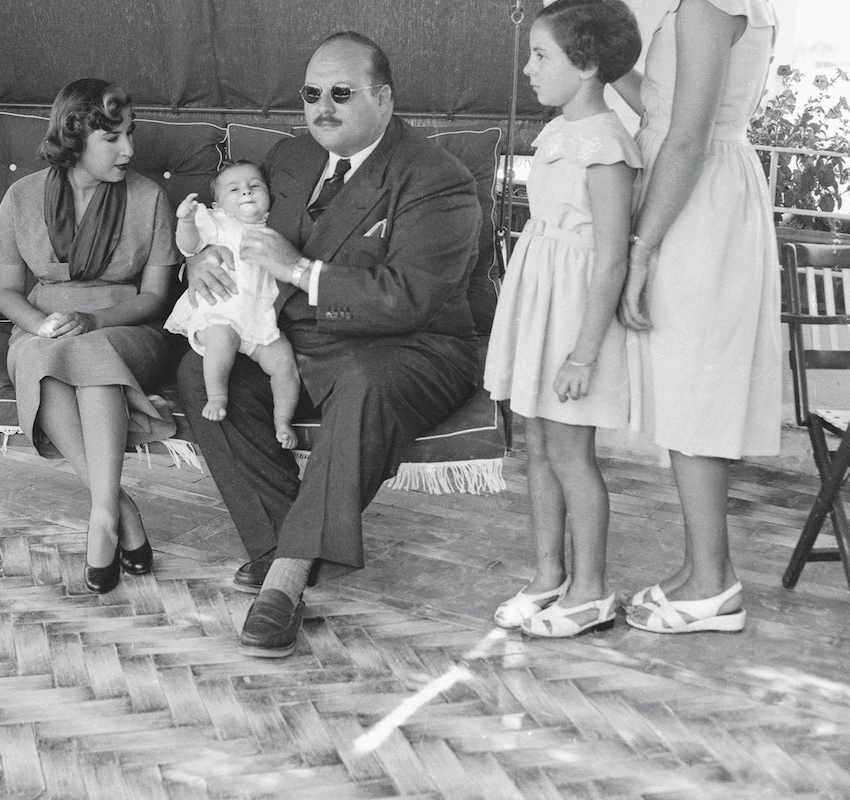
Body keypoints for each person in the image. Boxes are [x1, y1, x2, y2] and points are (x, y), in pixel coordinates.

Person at [179, 31, 482, 657]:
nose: (323, 106)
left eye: (341, 93)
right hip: (294, 334)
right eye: (311, 93)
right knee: (202, 372)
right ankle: (279, 545)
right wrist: (201, 257)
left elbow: (410, 297)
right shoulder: (292, 157)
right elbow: (239, 228)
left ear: (384, 97)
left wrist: (300, 272)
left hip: (409, 345)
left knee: (366, 386)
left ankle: (284, 581)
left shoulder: (436, 177)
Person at [615, 0, 780, 633]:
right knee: (688, 389)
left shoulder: (710, 4)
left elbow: (687, 137)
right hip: (699, 186)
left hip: (696, 195)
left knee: (697, 390)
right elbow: (662, 104)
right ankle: (702, 569)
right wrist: (597, 63)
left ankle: (715, 584)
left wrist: (640, 249)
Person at [484, 0, 642, 638]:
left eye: (541, 56)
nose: (528, 69)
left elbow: (609, 258)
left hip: (574, 313)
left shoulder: (606, 143)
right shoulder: (557, 131)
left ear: (587, 67)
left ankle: (592, 589)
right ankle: (549, 574)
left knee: (573, 453)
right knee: (539, 446)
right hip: (539, 299)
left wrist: (583, 352)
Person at [0, 78, 178, 594]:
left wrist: (94, 322)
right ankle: (114, 509)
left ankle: (101, 516)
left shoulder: (148, 196)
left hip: (126, 327)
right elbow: (6, 292)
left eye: (130, 134)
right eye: (112, 139)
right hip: (44, 326)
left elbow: (155, 296)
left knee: (90, 353)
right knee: (39, 358)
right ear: (75, 137)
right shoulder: (22, 197)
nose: (129, 149)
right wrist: (39, 325)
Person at [165, 161, 300, 448]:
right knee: (221, 339)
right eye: (235, 189)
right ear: (219, 204)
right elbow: (188, 248)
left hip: (259, 318)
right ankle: (217, 397)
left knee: (283, 361)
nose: (246, 193)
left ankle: (283, 420)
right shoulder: (217, 221)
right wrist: (187, 221)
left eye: (255, 186)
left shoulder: (276, 229)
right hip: (221, 308)